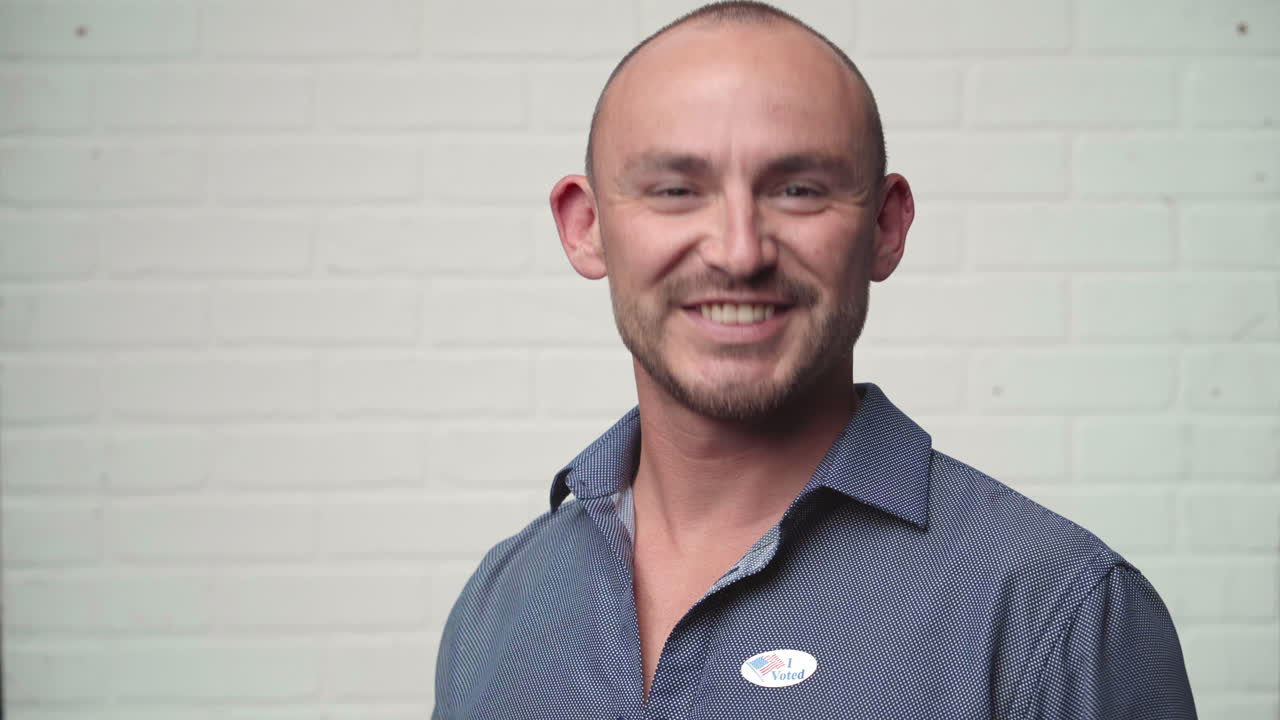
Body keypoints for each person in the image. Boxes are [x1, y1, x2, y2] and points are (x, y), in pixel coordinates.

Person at [432, 2, 1197, 718]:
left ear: (886, 228)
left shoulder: (1056, 612)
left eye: (798, 189)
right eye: (675, 190)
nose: (738, 252)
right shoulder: (500, 604)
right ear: (586, 227)